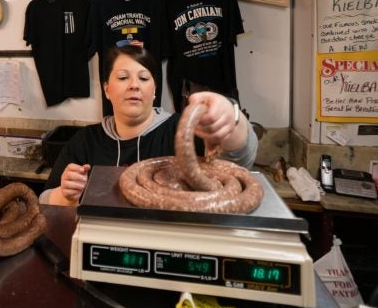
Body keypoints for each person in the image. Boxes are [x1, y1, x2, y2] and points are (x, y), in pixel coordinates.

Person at [40, 45, 258, 206]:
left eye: (144, 78)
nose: (134, 85)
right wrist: (65, 195)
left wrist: (231, 120)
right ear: (107, 89)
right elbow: (45, 199)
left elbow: (241, 160)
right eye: (123, 77)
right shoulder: (85, 142)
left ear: (154, 91)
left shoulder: (182, 130)